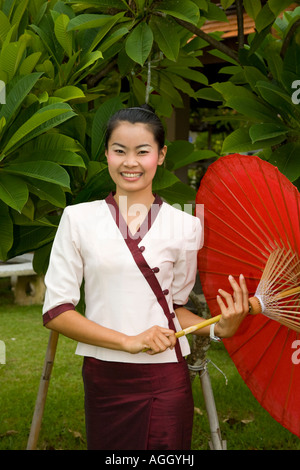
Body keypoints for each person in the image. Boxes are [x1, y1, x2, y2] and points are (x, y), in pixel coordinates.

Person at [42, 104, 249, 450]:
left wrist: (218, 328)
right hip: (104, 374)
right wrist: (129, 341)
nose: (130, 163)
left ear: (161, 155)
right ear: (106, 153)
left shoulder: (186, 225)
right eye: (119, 151)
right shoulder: (77, 219)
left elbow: (174, 307)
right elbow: (56, 311)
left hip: (164, 376)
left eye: (143, 151)